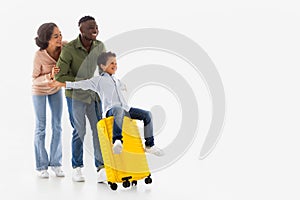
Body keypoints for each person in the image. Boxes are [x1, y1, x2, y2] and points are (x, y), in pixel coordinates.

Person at [51, 51, 164, 156]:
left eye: (115, 63)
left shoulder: (116, 80)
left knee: (147, 114)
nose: (115, 65)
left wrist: (125, 85)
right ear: (103, 66)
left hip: (125, 109)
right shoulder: (98, 80)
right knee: (118, 110)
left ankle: (149, 145)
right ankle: (117, 140)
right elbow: (81, 84)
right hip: (111, 110)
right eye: (111, 63)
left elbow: (122, 85)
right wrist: (62, 84)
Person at [55, 16, 106, 183]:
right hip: (75, 96)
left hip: (93, 96)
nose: (95, 29)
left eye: (96, 26)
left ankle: (101, 168)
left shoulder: (100, 46)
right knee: (79, 131)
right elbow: (60, 77)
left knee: (99, 131)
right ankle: (77, 168)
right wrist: (84, 83)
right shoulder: (69, 49)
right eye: (90, 27)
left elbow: (103, 70)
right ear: (81, 30)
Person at [32, 22, 65, 178]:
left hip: (55, 89)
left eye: (60, 34)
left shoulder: (63, 48)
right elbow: (34, 79)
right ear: (47, 39)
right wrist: (49, 75)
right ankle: (41, 166)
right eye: (56, 36)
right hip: (39, 90)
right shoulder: (39, 56)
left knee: (57, 125)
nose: (60, 38)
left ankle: (56, 163)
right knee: (41, 127)